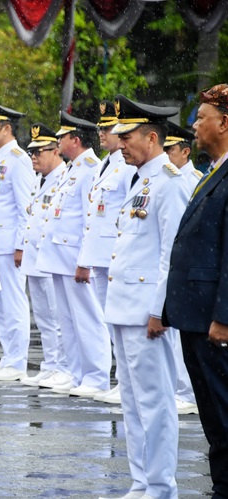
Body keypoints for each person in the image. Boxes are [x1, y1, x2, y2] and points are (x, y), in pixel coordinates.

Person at [101, 95, 190, 499]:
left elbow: (171, 255)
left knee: (155, 406)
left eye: (127, 136)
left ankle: (160, 486)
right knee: (133, 404)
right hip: (124, 308)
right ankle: (142, 483)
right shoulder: (138, 180)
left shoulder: (169, 183)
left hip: (146, 314)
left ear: (151, 138)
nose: (120, 143)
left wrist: (159, 311)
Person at [163, 83, 228, 499]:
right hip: (195, 315)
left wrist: (223, 317)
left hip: (214, 319)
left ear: (224, 122)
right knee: (212, 413)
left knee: (223, 411)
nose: (194, 126)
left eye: (201, 118)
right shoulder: (214, 171)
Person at [35, 111, 112, 398]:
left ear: (75, 140)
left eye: (61, 137)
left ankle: (96, 375)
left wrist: (84, 261)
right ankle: (78, 373)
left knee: (87, 319)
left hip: (74, 256)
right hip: (60, 255)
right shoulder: (73, 167)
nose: (56, 141)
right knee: (68, 319)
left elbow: (88, 219)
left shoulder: (90, 167)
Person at [81, 100, 136, 406]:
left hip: (114, 252)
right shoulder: (108, 161)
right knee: (109, 321)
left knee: (119, 322)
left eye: (108, 127)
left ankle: (123, 381)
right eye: (101, 127)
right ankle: (119, 380)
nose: (102, 132)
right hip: (101, 254)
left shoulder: (127, 166)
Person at [0, 100, 34, 382]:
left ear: (7, 128)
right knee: (0, 305)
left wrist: (21, 244)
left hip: (9, 243)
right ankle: (8, 358)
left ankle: (17, 361)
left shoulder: (18, 159)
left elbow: (25, 206)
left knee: (13, 303)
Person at [19, 124, 69, 387]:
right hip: (35, 258)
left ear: (56, 151)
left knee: (58, 315)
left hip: (52, 257)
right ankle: (50, 363)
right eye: (32, 152)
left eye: (40, 151)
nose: (34, 157)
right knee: (44, 317)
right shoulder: (40, 179)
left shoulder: (64, 176)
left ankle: (63, 365)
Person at [161, 122, 201, 416]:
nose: (165, 155)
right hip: (177, 263)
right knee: (173, 332)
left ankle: (186, 391)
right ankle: (176, 388)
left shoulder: (193, 179)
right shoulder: (169, 178)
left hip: (188, 262)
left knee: (180, 334)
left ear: (185, 152)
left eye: (170, 150)